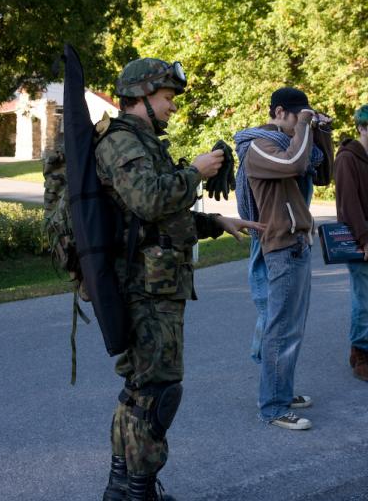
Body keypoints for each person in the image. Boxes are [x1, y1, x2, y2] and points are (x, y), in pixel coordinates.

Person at [95, 57, 264, 501]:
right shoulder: (123, 144)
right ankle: (140, 491)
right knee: (157, 392)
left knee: (140, 390)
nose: (172, 106)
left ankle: (123, 486)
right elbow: (150, 201)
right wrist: (196, 172)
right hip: (146, 288)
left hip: (153, 284)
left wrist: (215, 222)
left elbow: (154, 221)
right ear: (142, 96)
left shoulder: (141, 142)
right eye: (167, 97)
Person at [235, 87, 318, 430]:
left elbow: (316, 165)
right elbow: (295, 163)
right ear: (280, 112)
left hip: (298, 243)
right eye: (297, 116)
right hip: (280, 247)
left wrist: (316, 129)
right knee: (280, 330)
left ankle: (281, 391)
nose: (300, 123)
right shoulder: (257, 146)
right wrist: (304, 126)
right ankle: (273, 406)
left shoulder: (288, 140)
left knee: (292, 330)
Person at [334, 104, 368, 382]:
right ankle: (361, 354)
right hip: (359, 241)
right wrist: (365, 239)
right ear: (361, 127)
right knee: (364, 298)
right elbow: (349, 205)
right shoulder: (348, 158)